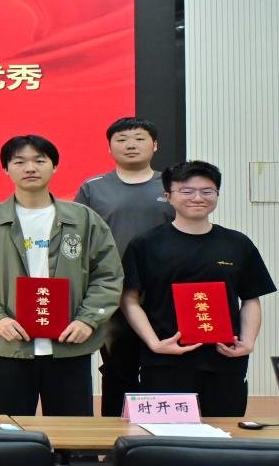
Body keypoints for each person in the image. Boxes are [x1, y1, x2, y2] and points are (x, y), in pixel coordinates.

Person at [0, 135, 122, 416]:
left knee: (73, 431)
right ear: (6, 169)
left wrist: (88, 319)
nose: (30, 168)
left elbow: (108, 275)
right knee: (8, 431)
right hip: (7, 345)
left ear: (54, 166)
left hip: (70, 344)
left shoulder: (84, 219)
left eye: (39, 160)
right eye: (19, 162)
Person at [121, 160, 276, 417]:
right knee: (164, 435)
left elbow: (251, 298)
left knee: (225, 433)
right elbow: (129, 299)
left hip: (225, 359)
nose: (197, 198)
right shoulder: (146, 244)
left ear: (217, 195)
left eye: (207, 191)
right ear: (168, 196)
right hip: (165, 360)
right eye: (187, 191)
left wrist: (248, 341)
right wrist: (154, 343)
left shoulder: (237, 243)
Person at [74, 117, 175, 416]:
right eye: (122, 139)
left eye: (139, 138)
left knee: (165, 363)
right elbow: (78, 239)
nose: (131, 144)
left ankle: (163, 433)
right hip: (113, 293)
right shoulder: (93, 188)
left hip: (164, 293)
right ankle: (115, 434)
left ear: (154, 145)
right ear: (109, 148)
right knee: (118, 367)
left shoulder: (173, 186)